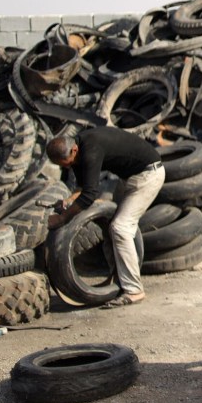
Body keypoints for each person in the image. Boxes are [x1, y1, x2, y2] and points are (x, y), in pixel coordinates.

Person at [46, 126, 165, 309]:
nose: (68, 167)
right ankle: (118, 282)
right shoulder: (78, 148)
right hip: (130, 177)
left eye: (68, 163)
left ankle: (134, 290)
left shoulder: (91, 150)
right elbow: (82, 189)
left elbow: (89, 196)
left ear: (74, 150)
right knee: (110, 224)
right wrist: (69, 201)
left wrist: (62, 219)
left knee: (120, 227)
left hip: (148, 176)